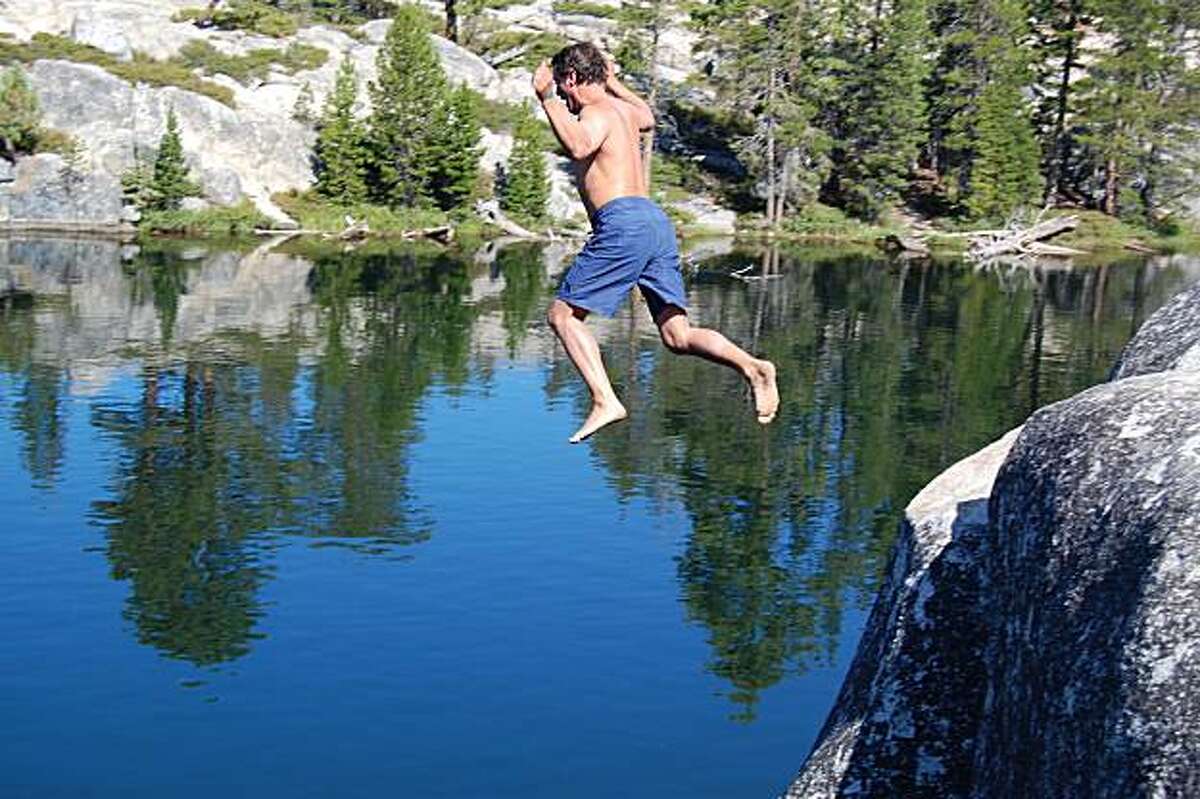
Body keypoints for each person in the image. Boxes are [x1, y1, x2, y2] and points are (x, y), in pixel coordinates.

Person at [534, 42, 779, 443]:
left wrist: (545, 99)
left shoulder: (594, 113)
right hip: (654, 223)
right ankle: (751, 366)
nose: (565, 98)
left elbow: (578, 145)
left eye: (564, 89)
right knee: (677, 336)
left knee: (562, 317)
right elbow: (648, 117)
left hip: (623, 224)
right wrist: (614, 82)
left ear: (573, 78)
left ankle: (604, 400)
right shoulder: (625, 111)